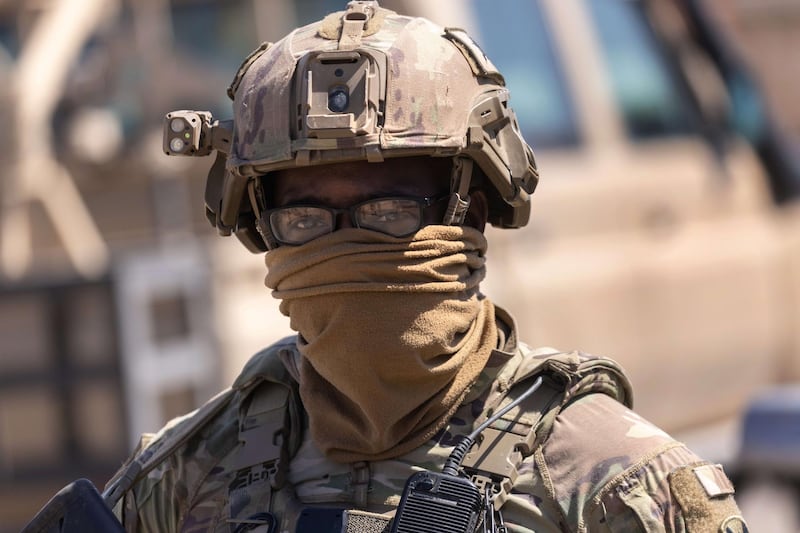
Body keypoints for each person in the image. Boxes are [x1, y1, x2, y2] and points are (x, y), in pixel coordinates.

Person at [104, 2, 748, 531]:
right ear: (260, 227)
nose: (347, 248)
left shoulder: (616, 485)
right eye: (305, 222)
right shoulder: (184, 478)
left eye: (388, 212)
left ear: (471, 213)